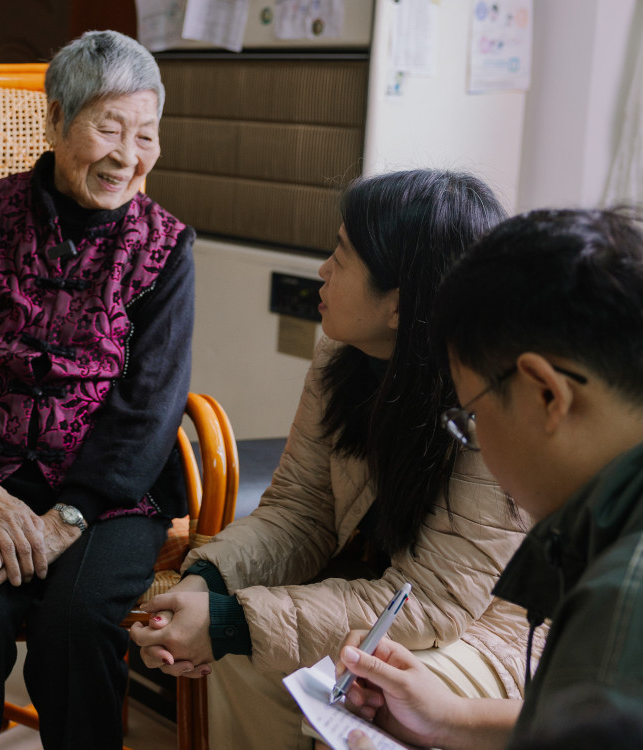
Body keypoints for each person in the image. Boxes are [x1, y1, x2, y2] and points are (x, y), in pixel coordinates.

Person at [131, 169, 541, 750]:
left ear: (400, 303)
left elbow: (434, 599)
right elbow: (299, 511)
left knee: (364, 698)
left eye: (342, 258)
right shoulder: (340, 355)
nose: (323, 269)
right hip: (381, 594)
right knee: (245, 659)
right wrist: (207, 583)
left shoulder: (490, 398)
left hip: (490, 627)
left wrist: (231, 621)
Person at [0, 30, 195, 750]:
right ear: (57, 119)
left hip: (109, 494)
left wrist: (70, 514)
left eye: (145, 135)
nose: (127, 156)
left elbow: (152, 403)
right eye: (108, 128)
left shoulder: (166, 247)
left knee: (77, 621)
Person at [331, 208, 643, 750]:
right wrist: (450, 718)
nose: (477, 441)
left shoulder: (623, 601)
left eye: (471, 415)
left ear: (546, 394)